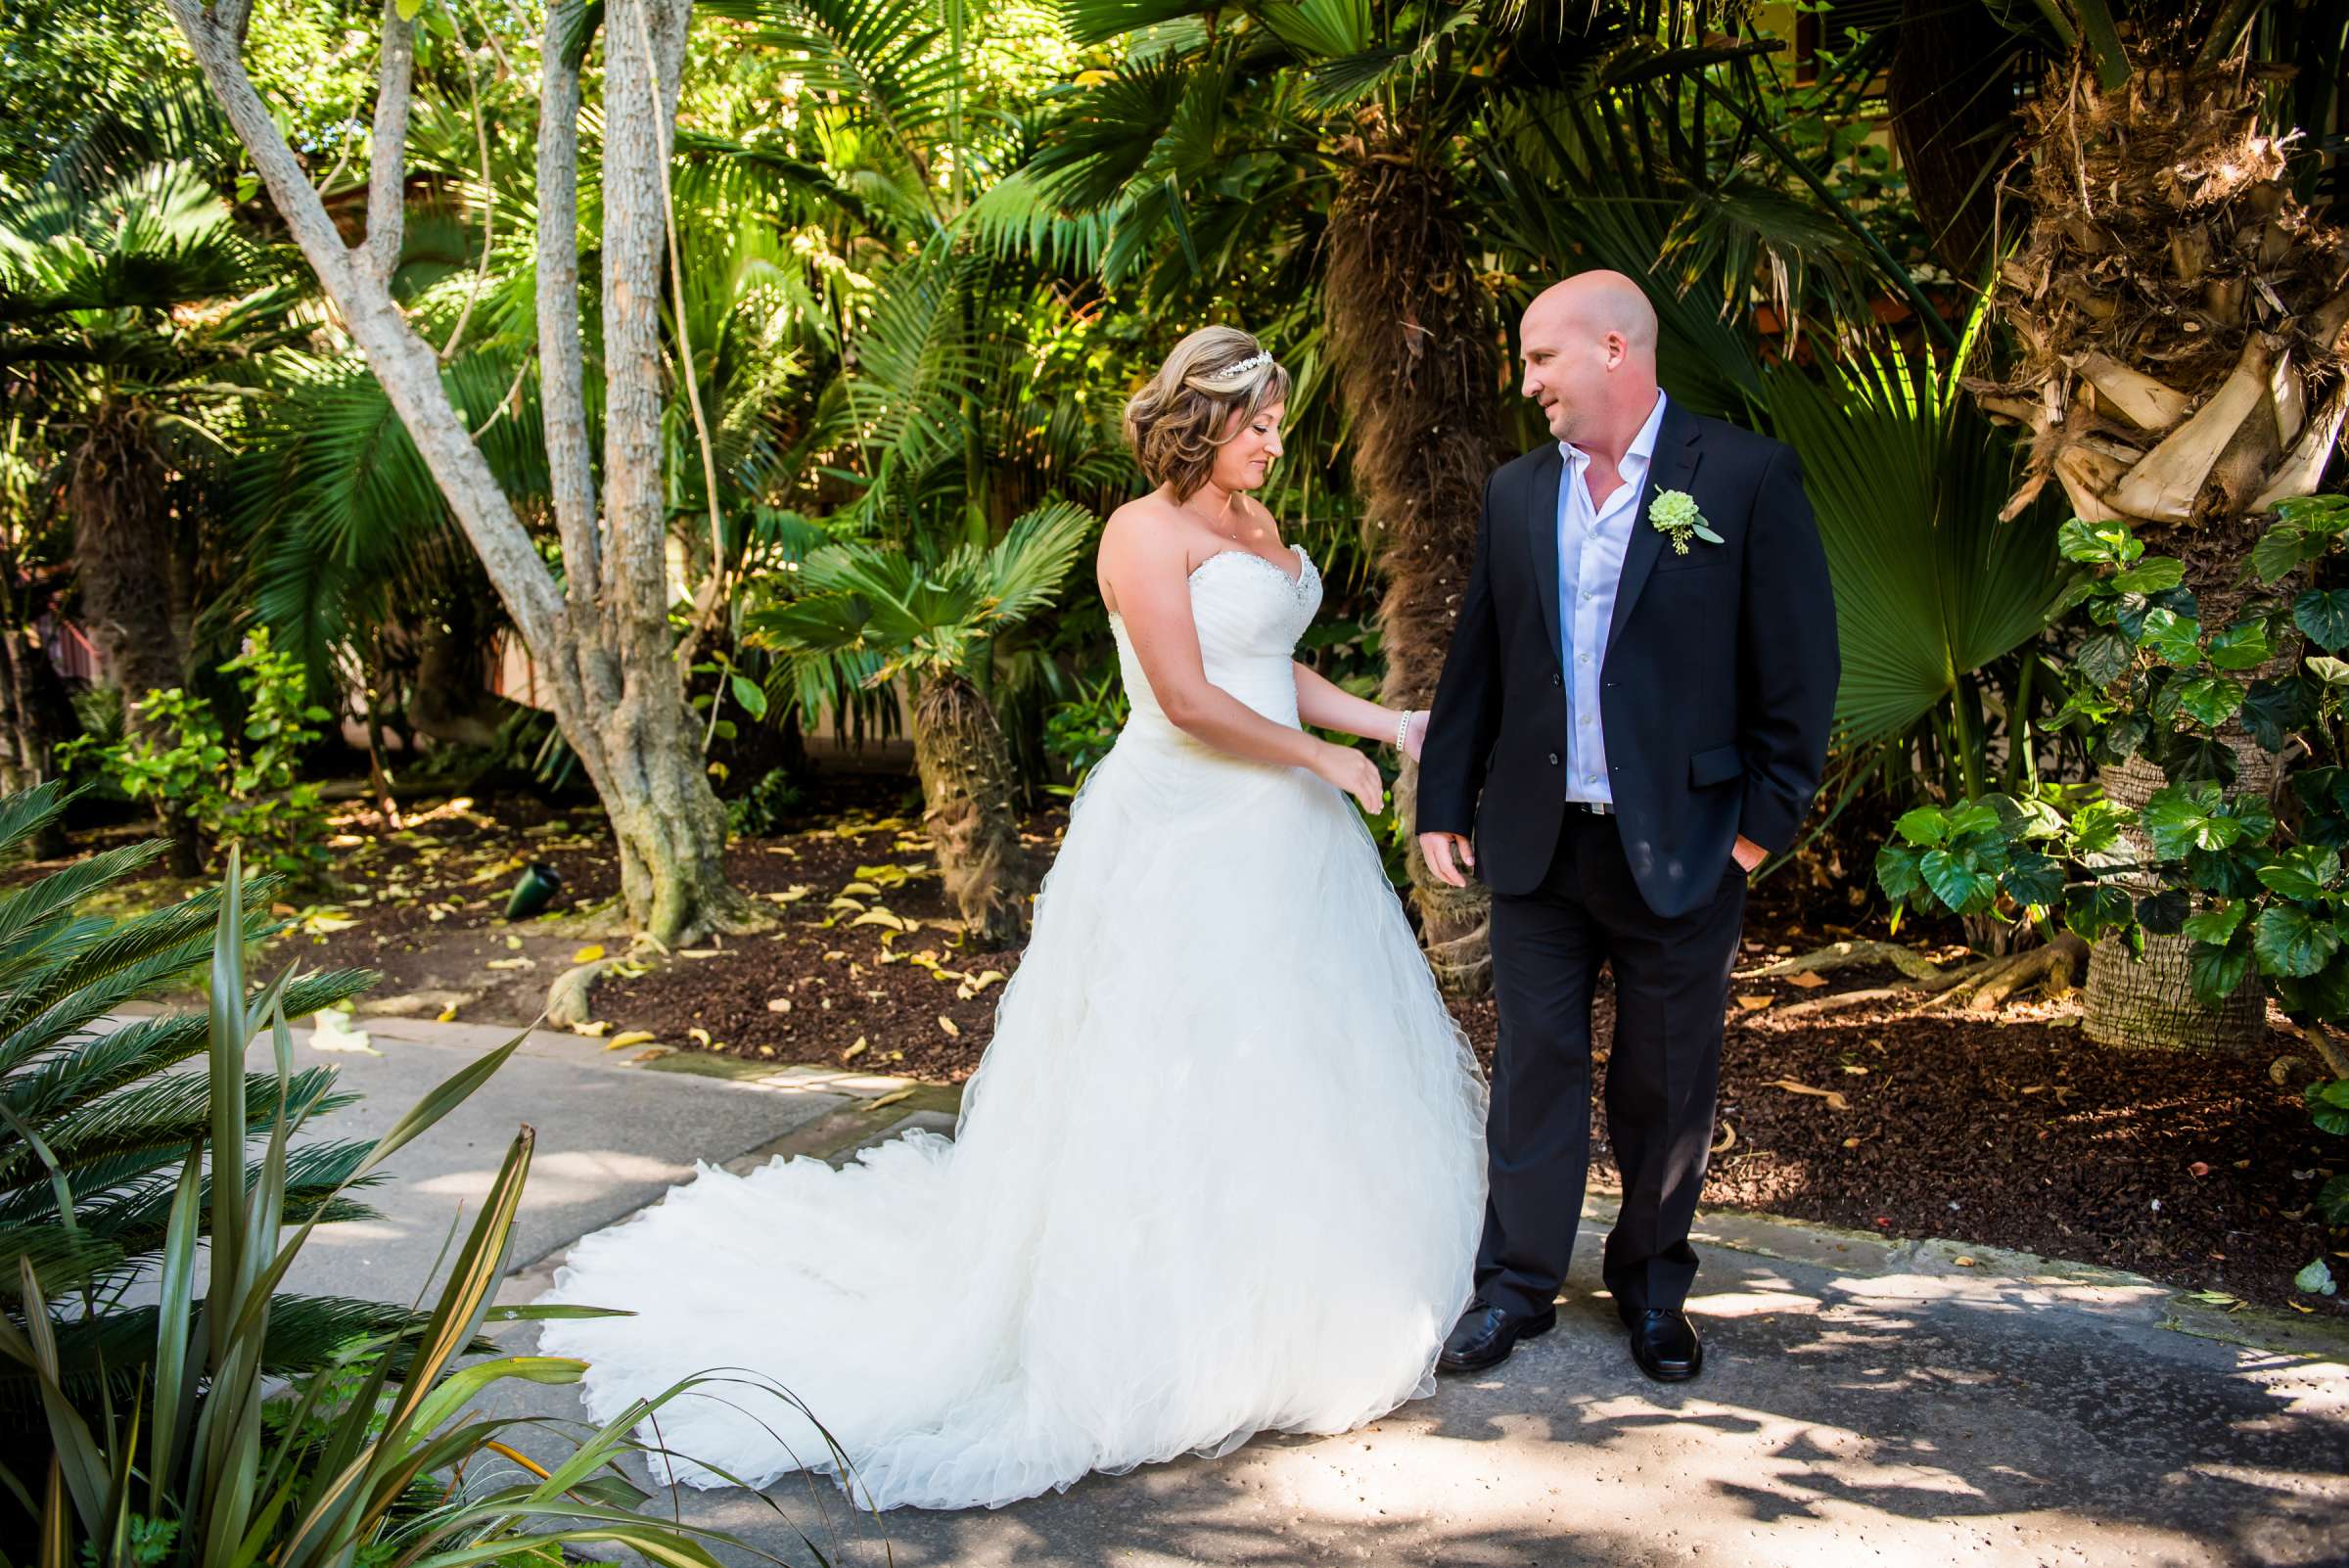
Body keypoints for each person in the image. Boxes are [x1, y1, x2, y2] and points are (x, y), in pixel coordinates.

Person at [534, 325, 1488, 1512]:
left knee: (1290, 1058)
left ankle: (1292, 1291)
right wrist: (1322, 762)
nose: (1273, 444)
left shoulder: (1255, 528)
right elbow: (1189, 699)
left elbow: (1267, 666)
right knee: (1166, 1066)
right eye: (1255, 424)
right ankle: (1155, 1313)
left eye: (1275, 422)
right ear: (1198, 425)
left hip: (1283, 834)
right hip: (1183, 830)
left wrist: (1380, 730)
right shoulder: (1141, 533)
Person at [1415, 271, 1839, 1383]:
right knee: (1535, 1071)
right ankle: (1515, 1287)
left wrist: (1756, 833)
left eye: (1540, 359)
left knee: (1665, 1081)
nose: (1527, 382)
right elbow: (1481, 659)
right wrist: (1441, 803)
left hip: (1687, 845)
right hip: (1538, 843)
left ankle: (1653, 1289)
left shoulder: (1742, 477)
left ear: (1614, 349)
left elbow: (1798, 673)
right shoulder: (1516, 493)